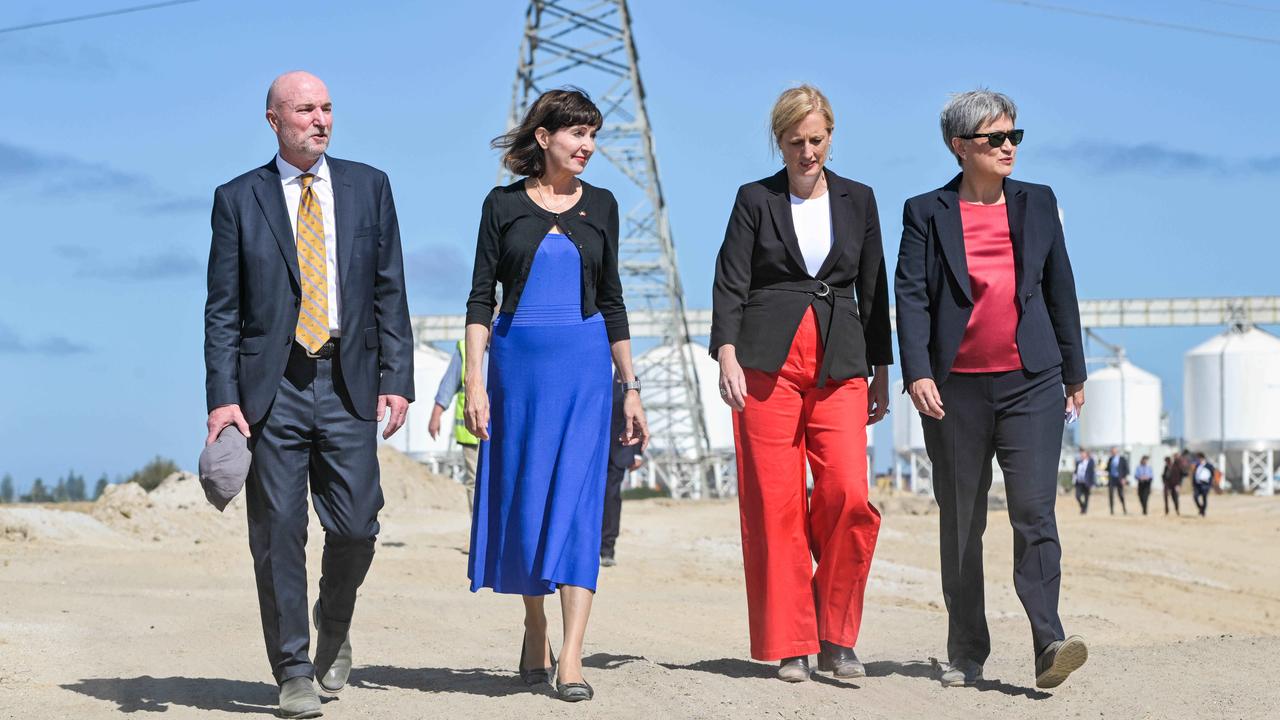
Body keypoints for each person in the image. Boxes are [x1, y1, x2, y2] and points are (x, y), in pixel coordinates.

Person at [204, 71, 413, 718]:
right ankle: (294, 669)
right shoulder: (238, 199)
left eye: (326, 108)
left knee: (355, 526)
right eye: (304, 110)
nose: (320, 120)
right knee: (278, 534)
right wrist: (222, 397)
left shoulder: (369, 186)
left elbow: (389, 290)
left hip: (350, 381)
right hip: (273, 389)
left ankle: (335, 619)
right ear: (274, 120)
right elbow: (221, 311)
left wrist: (397, 379)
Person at [895, 89, 1089, 690]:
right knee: (963, 519)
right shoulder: (925, 211)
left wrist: (1074, 373)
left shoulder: (1039, 202)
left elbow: (1060, 287)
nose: (1008, 147)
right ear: (960, 147)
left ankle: (1048, 641)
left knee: (1034, 512)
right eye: (995, 138)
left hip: (1032, 381)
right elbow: (912, 297)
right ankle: (966, 649)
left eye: (1014, 137)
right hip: (955, 389)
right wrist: (918, 372)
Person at [463, 88, 649, 703]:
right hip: (517, 373)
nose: (588, 146)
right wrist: (474, 379)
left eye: (593, 134)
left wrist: (631, 388)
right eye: (577, 134)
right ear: (543, 138)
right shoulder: (502, 205)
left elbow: (614, 300)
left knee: (576, 505)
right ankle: (535, 621)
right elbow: (479, 300)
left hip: (585, 371)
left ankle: (570, 654)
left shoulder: (603, 205)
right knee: (528, 503)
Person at [711, 84, 892, 683]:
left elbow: (874, 289)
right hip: (765, 363)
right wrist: (727, 356)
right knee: (775, 505)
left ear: (831, 136)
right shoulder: (753, 199)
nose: (807, 152)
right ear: (779, 141)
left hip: (841, 361)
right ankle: (794, 642)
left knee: (847, 494)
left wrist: (883, 370)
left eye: (816, 140)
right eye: (796, 142)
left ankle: (836, 635)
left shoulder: (860, 199)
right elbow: (731, 280)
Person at [428, 339, 488, 509]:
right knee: (475, 481)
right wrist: (435, 415)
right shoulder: (466, 347)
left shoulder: (508, 342)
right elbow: (448, 384)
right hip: (472, 432)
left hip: (502, 431)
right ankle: (477, 529)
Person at [600, 375, 645, 567]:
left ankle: (607, 549)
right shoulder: (587, 366)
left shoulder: (626, 376)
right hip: (590, 450)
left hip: (618, 451)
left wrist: (637, 453)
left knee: (611, 498)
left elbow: (636, 415)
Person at [1106, 447, 1129, 515]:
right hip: (1112, 479)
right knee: (1110, 495)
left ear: (1117, 451)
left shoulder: (1122, 459)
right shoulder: (1110, 459)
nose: (1113, 452)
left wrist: (1124, 478)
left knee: (1120, 495)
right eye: (1112, 451)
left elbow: (1126, 469)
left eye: (1114, 451)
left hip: (1119, 479)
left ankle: (1124, 508)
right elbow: (1108, 468)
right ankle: (1112, 510)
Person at [1192, 452, 1214, 516]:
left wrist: (1209, 483)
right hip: (1198, 484)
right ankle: (1201, 509)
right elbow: (1195, 474)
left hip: (1205, 484)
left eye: (1199, 458)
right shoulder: (1197, 465)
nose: (1198, 460)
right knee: (1195, 497)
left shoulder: (1209, 466)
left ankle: (1203, 511)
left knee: (1204, 498)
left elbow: (1212, 474)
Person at [1073, 449, 1095, 515]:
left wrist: (1092, 483)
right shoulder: (1078, 462)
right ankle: (1082, 506)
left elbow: (1092, 473)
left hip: (1086, 482)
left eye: (1083, 453)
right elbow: (1075, 471)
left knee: (1086, 497)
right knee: (1077, 496)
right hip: (1079, 482)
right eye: (1081, 454)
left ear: (1086, 454)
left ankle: (1084, 510)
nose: (1082, 455)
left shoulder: (1090, 462)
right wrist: (1074, 479)